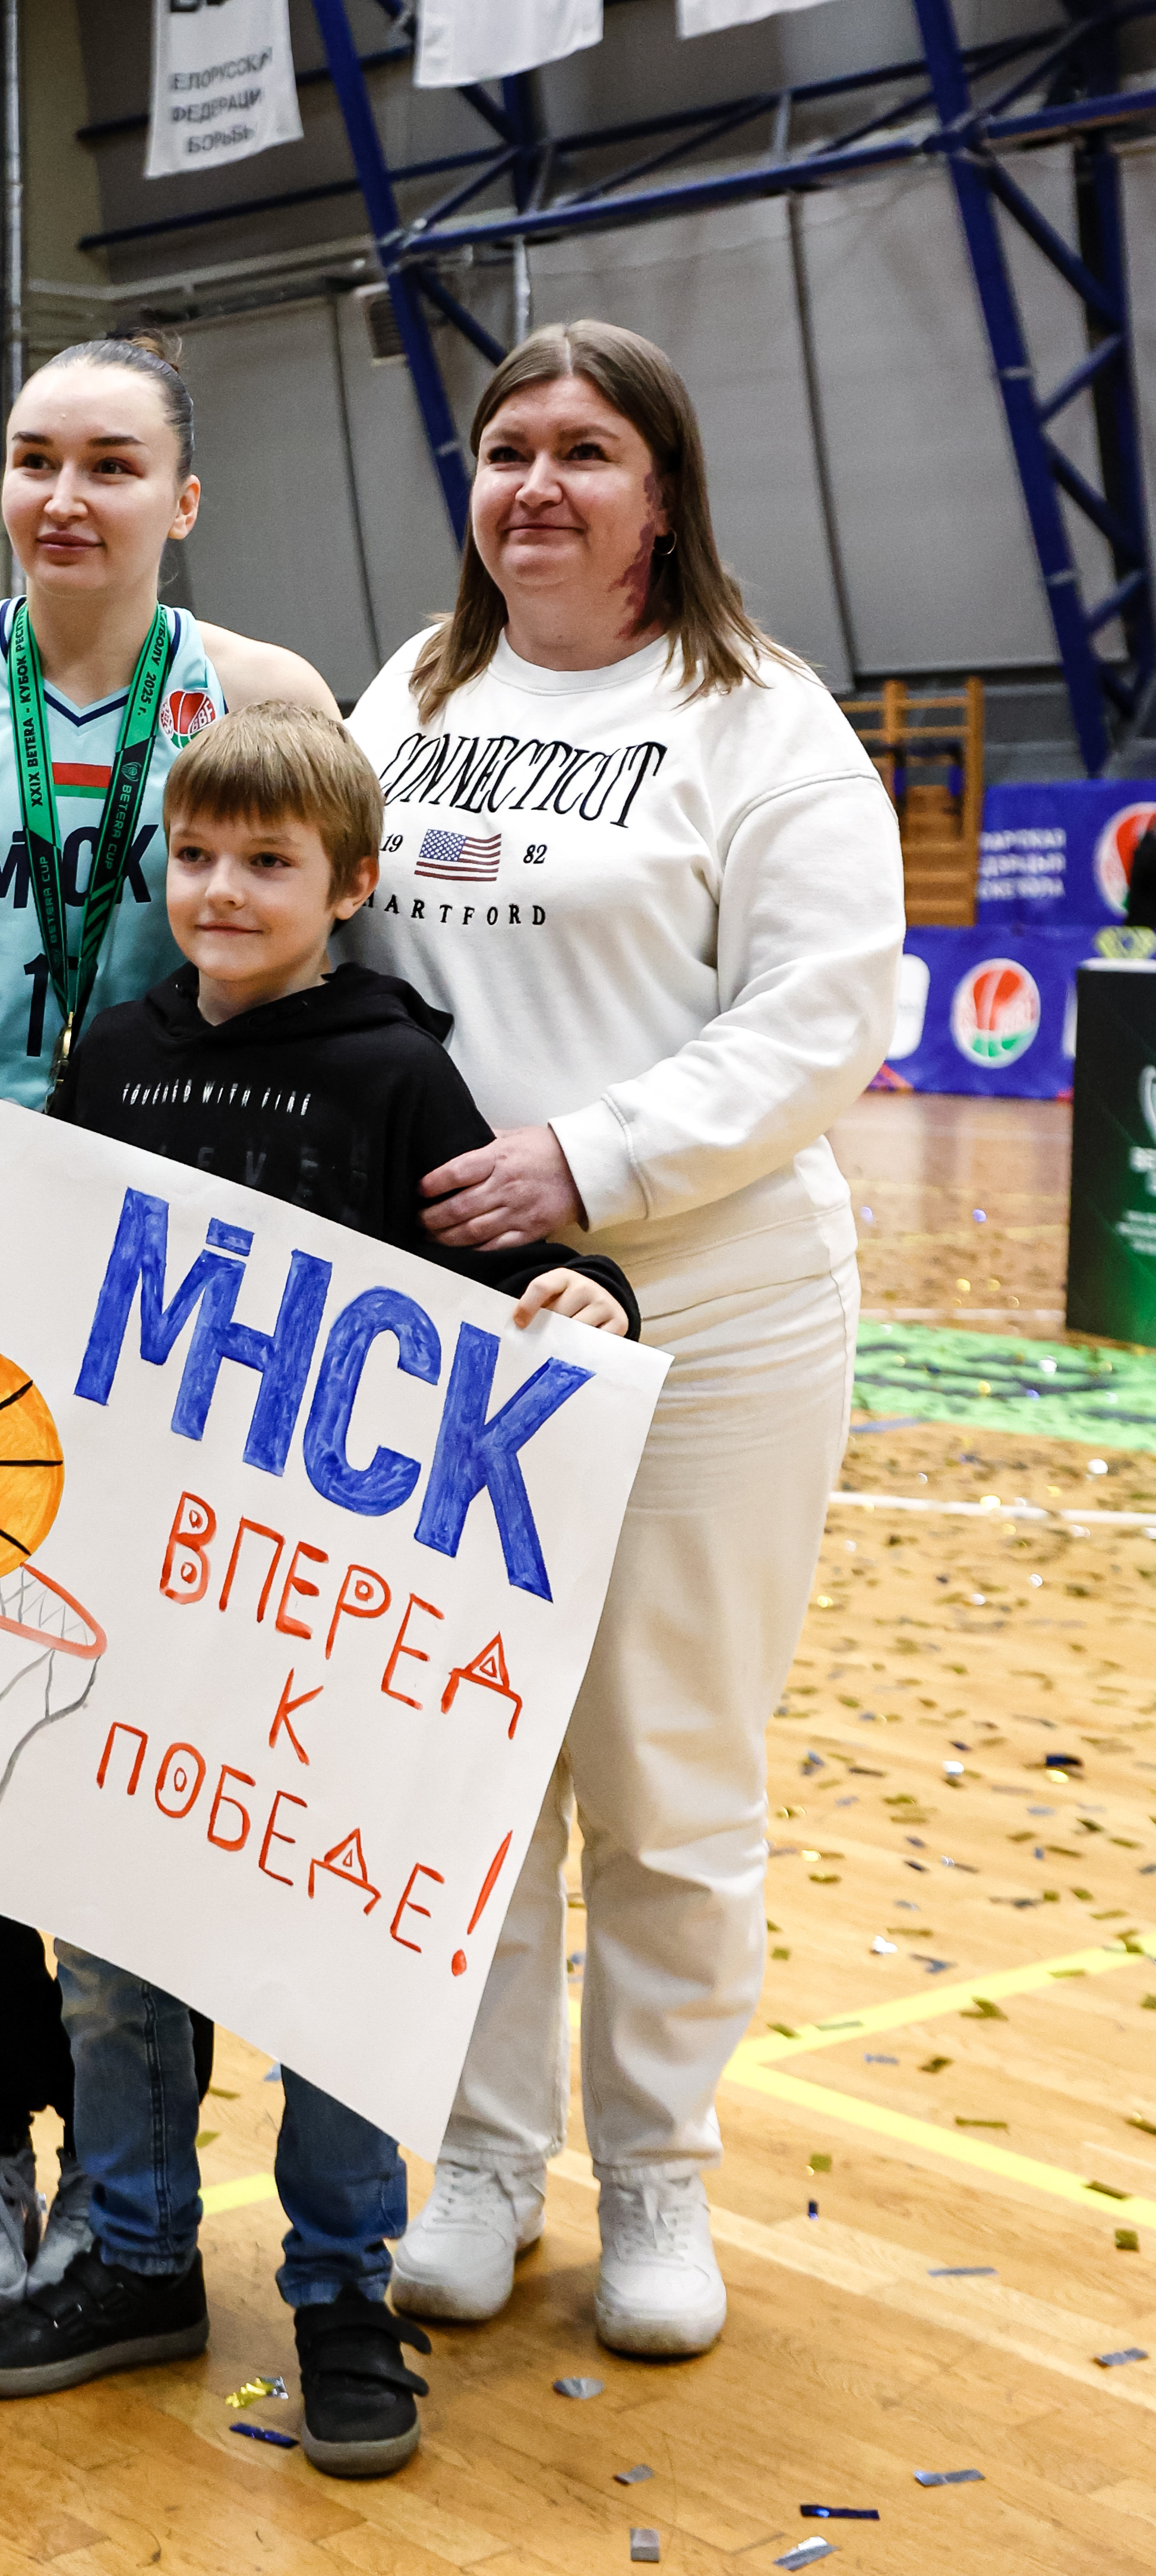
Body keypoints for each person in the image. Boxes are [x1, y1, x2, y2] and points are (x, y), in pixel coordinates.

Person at [0, 702, 637, 2472]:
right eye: (193, 857)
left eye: (267, 862)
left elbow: (503, 1267)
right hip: (135, 1595)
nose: (222, 890)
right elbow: (44, 1260)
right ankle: (136, 2257)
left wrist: (585, 1296)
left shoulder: (395, 1071)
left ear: (351, 885)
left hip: (321, 1636)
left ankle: (339, 2290)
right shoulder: (115, 1052)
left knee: (324, 1964)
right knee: (110, 1953)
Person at [342, 320, 904, 2359]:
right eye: (508, 449)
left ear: (661, 495)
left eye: (586, 452)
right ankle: (483, 2165)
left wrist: (585, 1160)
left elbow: (825, 1009)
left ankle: (655, 2176)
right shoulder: (409, 695)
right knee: (463, 1766)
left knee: (665, 1774)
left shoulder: (758, 717)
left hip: (715, 1320)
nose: (538, 486)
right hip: (454, 1329)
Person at [0, 332, 338, 2327]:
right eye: (34, 457)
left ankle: (133, 2188)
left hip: (162, 1277)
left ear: (180, 499)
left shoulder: (265, 695)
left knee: (142, 1737)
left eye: (110, 462)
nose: (63, 494)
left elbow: (320, 961)